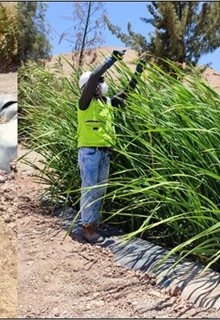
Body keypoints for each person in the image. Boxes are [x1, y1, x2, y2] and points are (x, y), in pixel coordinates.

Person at [77, 49, 145, 243]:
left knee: (99, 191)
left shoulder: (107, 102)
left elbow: (127, 92)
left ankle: (94, 225)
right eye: (99, 82)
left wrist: (138, 72)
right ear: (88, 86)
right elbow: (94, 77)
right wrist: (112, 60)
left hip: (104, 153)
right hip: (89, 152)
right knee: (89, 190)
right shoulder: (84, 102)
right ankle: (87, 228)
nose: (101, 84)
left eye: (101, 82)